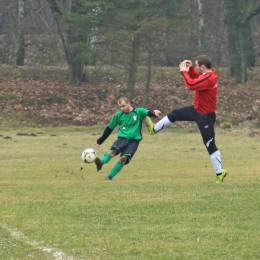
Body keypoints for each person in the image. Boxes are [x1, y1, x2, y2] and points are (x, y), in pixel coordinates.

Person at [145, 55, 227, 184]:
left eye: (196, 65)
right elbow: (196, 77)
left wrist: (183, 72)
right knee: (176, 113)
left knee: (210, 145)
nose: (195, 67)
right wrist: (190, 69)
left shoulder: (209, 78)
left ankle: (219, 173)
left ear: (203, 67)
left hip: (205, 116)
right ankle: (153, 129)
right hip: (196, 110)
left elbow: (191, 84)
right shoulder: (209, 74)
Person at [94, 97, 161, 180]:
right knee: (112, 151)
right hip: (122, 139)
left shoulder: (138, 112)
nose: (122, 108)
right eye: (120, 107)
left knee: (123, 158)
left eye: (123, 106)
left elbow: (148, 112)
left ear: (129, 103)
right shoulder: (119, 115)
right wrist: (100, 140)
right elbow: (109, 128)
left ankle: (109, 177)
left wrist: (154, 112)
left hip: (134, 141)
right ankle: (100, 162)